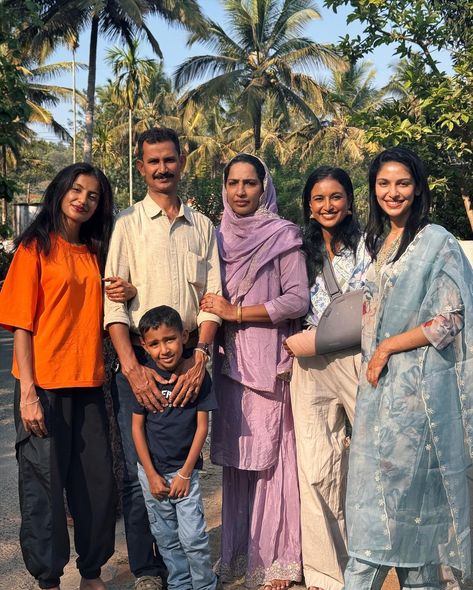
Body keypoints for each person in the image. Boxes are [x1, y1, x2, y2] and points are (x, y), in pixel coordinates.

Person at [344, 147, 473, 589]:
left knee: (395, 520)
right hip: (379, 398)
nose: (392, 192)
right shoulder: (380, 243)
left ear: (417, 187)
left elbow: (450, 319)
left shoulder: (437, 241)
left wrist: (385, 349)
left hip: (418, 403)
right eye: (383, 183)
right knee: (387, 517)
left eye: (402, 183)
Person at [104, 127, 222, 590]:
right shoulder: (127, 226)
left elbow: (212, 300)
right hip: (138, 359)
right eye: (152, 161)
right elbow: (114, 305)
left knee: (185, 466)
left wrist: (201, 357)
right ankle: (148, 571)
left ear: (182, 162)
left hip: (190, 356)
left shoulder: (203, 226)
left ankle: (190, 570)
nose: (162, 168)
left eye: (169, 159)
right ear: (141, 167)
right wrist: (132, 369)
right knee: (140, 471)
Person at [0, 163, 117, 590]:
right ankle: (48, 579)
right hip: (43, 386)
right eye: (76, 190)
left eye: (93, 195)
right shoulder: (34, 248)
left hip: (88, 381)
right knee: (43, 487)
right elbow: (20, 324)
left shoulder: (96, 250)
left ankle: (92, 572)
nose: (83, 200)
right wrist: (27, 392)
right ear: (60, 191)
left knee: (96, 483)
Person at [200, 154, 309, 590]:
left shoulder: (283, 236)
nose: (241, 191)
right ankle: (239, 555)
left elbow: (297, 300)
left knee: (271, 464)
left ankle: (277, 560)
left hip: (270, 365)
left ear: (265, 188)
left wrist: (237, 312)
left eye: (250, 183)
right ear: (224, 188)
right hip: (230, 367)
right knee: (239, 464)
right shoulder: (215, 239)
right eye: (233, 183)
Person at [283, 166, 370, 590]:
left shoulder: (371, 246)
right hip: (310, 368)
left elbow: (378, 305)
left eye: (336, 197)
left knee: (374, 459)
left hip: (359, 359)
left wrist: (316, 340)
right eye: (318, 199)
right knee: (317, 466)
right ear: (309, 206)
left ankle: (379, 558)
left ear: (350, 201)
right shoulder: (300, 250)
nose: (327, 205)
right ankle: (325, 573)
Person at [132, 305, 220, 590]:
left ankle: (204, 584)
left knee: (193, 537)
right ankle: (179, 584)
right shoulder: (144, 380)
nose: (164, 349)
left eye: (170, 339)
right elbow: (136, 429)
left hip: (185, 474)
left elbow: (202, 427)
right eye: (154, 343)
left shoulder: (196, 377)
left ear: (184, 336)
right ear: (144, 345)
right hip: (152, 476)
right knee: (167, 538)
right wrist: (151, 474)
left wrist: (185, 473)